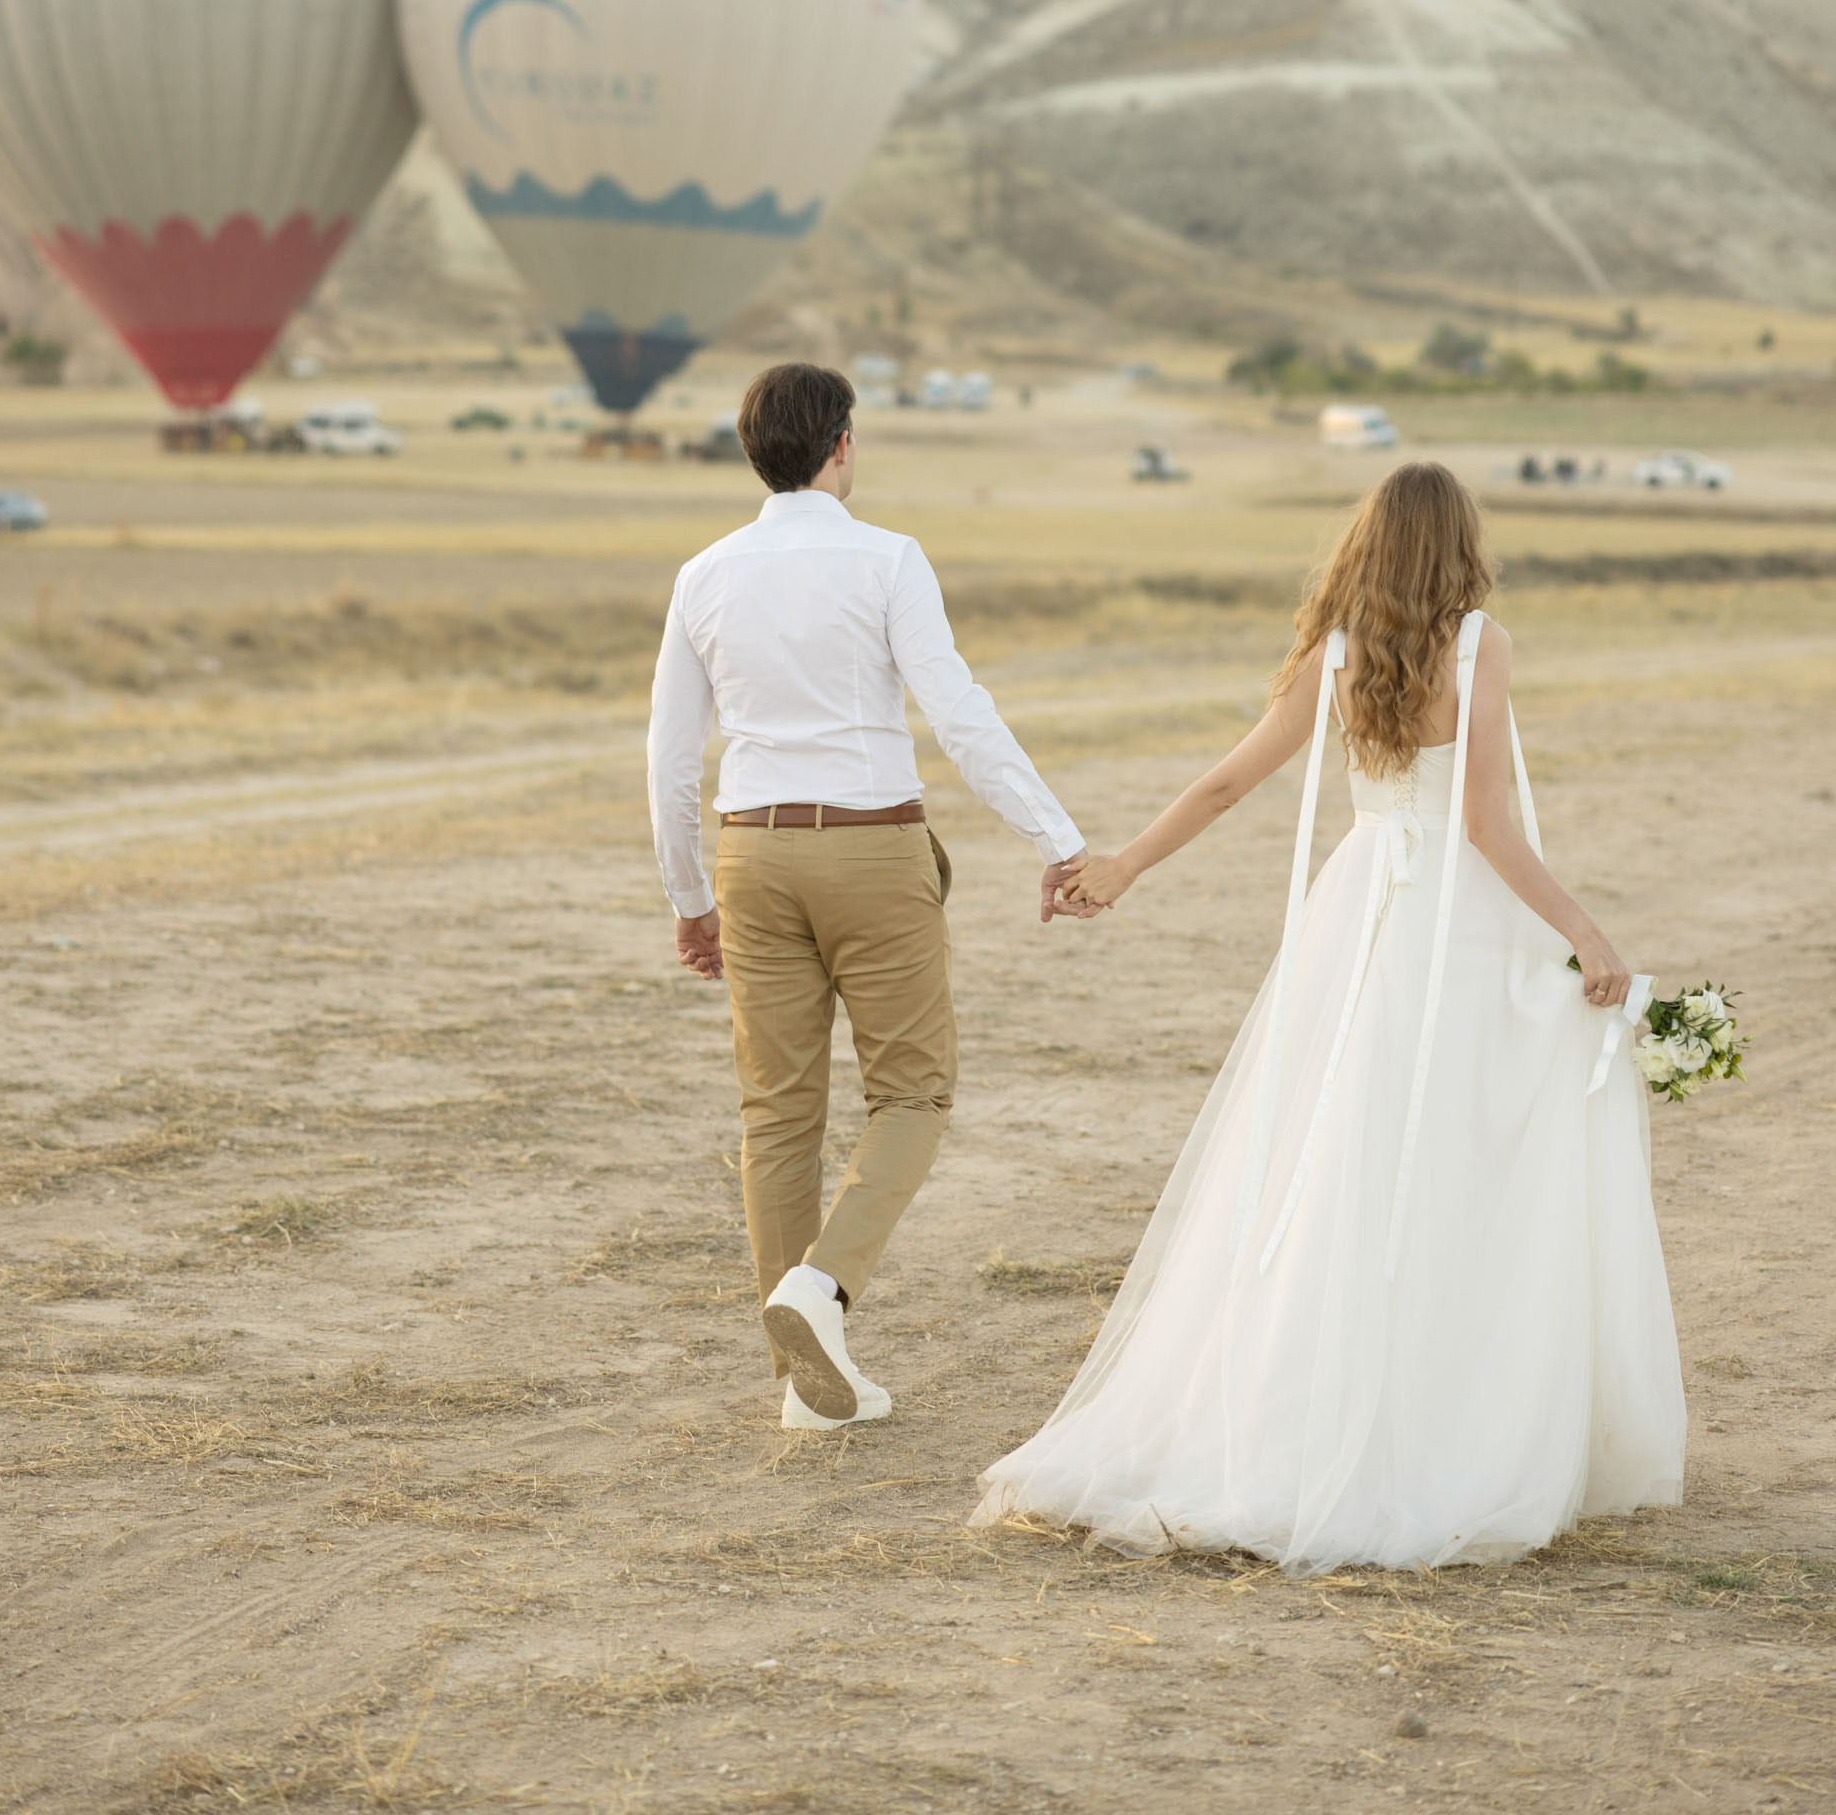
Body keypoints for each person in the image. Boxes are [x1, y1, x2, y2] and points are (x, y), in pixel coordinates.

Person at [972, 460, 1686, 1571]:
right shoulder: (1479, 646)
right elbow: (1486, 827)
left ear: (1366, 546)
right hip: (1454, 920)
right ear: (1459, 546)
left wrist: (1123, 866)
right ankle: (1445, 1409)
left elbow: (1226, 781)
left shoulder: (1337, 654)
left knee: (1339, 1146)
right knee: (1459, 1150)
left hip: (1358, 918)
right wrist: (1584, 931)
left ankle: (1306, 1403)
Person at [649, 360, 1088, 1431]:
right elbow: (959, 714)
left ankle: (802, 1389)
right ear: (842, 445)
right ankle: (820, 1286)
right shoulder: (888, 559)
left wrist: (690, 897)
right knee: (913, 1097)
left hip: (752, 854)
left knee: (776, 1115)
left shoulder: (703, 574)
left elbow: (668, 756)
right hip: (873, 850)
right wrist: (1056, 838)